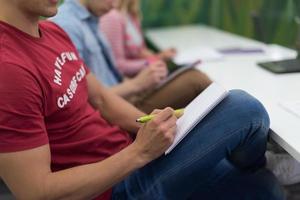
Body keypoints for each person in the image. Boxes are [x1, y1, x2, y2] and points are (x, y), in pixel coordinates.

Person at [0, 0, 284, 199]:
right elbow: (36, 192)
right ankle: (253, 163)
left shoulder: (52, 32)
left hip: (130, 159)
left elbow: (102, 100)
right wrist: (140, 152)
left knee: (267, 188)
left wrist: (151, 129)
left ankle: (253, 168)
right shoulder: (8, 69)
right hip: (115, 188)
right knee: (243, 108)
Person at [50, 0, 212, 114]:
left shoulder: (92, 20)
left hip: (124, 97)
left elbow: (111, 75)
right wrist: (137, 84)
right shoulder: (67, 25)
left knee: (193, 77)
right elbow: (85, 99)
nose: (114, 5)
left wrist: (142, 82)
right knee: (195, 80)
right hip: (117, 108)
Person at [100, 0, 176, 77]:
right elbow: (118, 65)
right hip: (130, 82)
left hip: (145, 78)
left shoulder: (132, 16)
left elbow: (140, 52)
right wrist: (155, 60)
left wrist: (159, 56)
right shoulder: (112, 17)